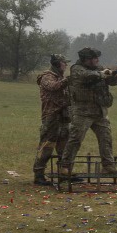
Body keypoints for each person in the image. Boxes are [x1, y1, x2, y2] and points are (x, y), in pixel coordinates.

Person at [58, 46, 117, 177]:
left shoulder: (99, 69)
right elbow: (86, 76)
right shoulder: (77, 69)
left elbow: (113, 80)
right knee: (75, 138)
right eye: (94, 58)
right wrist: (103, 73)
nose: (97, 60)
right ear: (87, 59)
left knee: (106, 138)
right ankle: (65, 167)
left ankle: (108, 166)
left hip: (100, 111)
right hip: (82, 112)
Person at [32, 53, 70, 185]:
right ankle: (39, 174)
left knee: (64, 146)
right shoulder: (47, 77)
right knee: (47, 145)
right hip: (51, 116)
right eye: (64, 63)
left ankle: (64, 173)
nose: (66, 65)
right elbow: (54, 87)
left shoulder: (61, 77)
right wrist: (68, 80)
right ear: (57, 64)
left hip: (64, 116)